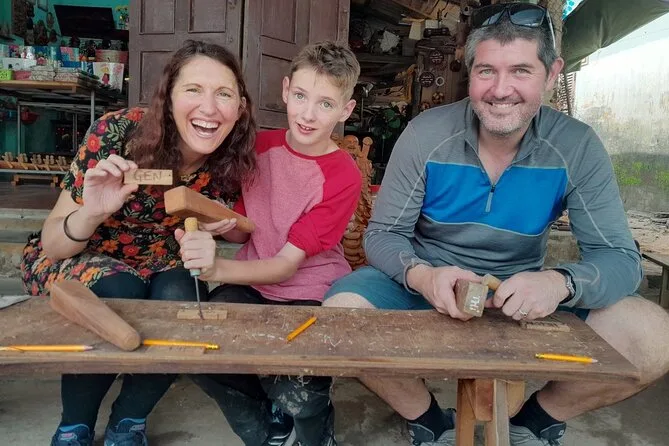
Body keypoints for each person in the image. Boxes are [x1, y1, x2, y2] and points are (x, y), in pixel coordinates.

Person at [322, 3, 669, 446]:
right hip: (429, 285)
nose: (501, 90)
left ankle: (534, 421)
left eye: (521, 71)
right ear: (470, 73)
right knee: (341, 314)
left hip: (524, 296)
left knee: (652, 337)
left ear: (552, 73)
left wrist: (559, 283)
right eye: (486, 71)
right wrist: (423, 276)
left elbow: (621, 260)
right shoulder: (426, 134)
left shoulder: (576, 146)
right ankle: (428, 419)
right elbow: (383, 235)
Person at [21, 40, 256, 446]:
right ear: (168, 98)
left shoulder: (233, 155)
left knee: (183, 298)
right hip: (83, 255)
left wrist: (215, 224)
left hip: (165, 256)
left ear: (241, 107)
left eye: (224, 94)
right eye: (193, 90)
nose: (209, 108)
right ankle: (75, 425)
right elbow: (54, 245)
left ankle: (128, 420)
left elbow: (239, 230)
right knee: (119, 288)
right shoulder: (116, 133)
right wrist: (93, 212)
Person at [178, 41, 362, 446]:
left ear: (345, 110)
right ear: (286, 90)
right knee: (197, 349)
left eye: (325, 104)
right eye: (301, 96)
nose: (308, 114)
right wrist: (213, 223)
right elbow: (243, 231)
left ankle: (315, 432)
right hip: (252, 281)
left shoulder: (342, 175)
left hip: (309, 291)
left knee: (300, 389)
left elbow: (285, 266)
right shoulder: (260, 146)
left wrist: (216, 268)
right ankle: (267, 427)